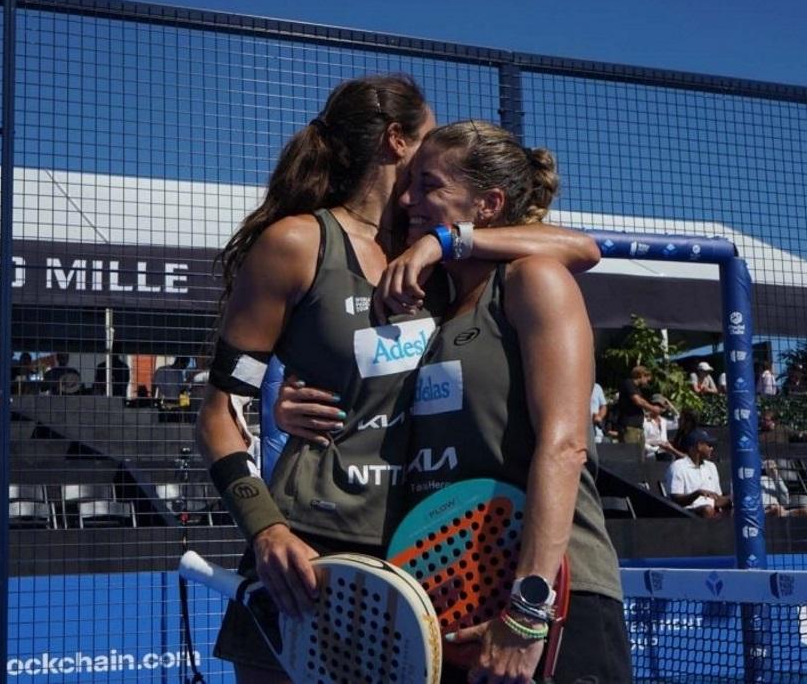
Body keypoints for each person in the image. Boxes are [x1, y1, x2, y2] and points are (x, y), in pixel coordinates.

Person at [195, 75, 600, 683]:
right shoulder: (299, 243)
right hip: (309, 549)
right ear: (395, 141)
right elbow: (220, 412)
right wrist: (266, 528)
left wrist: (443, 241)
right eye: (427, 141)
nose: (434, 153)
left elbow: (579, 247)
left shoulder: (444, 264)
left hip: (424, 560)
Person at [393, 119, 628, 682]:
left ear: (489, 203)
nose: (407, 200)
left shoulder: (532, 281)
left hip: (551, 599)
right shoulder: (431, 307)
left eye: (428, 185)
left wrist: (527, 611)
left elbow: (566, 446)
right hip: (451, 601)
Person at [665, 429, 731, 518]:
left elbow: (717, 498)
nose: (712, 449)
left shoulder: (711, 466)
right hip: (687, 514)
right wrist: (697, 493)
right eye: (709, 445)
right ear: (699, 446)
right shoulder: (678, 466)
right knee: (708, 510)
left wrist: (733, 499)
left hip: (713, 511)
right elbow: (676, 500)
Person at [616, 365, 660, 445]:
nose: (647, 381)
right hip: (629, 426)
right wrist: (653, 408)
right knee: (630, 454)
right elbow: (638, 401)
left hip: (637, 427)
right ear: (641, 375)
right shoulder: (628, 383)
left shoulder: (637, 389)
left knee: (639, 454)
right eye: (646, 378)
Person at [644, 394, 682, 461]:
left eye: (660, 406)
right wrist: (656, 448)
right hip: (651, 455)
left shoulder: (663, 421)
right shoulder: (645, 421)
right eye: (655, 405)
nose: (658, 408)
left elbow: (678, 420)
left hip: (665, 454)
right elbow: (643, 442)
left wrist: (671, 407)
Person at [590, 379, 608, 444]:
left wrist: (600, 416)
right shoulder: (574, 386)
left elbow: (603, 406)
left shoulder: (597, 387)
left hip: (595, 433)